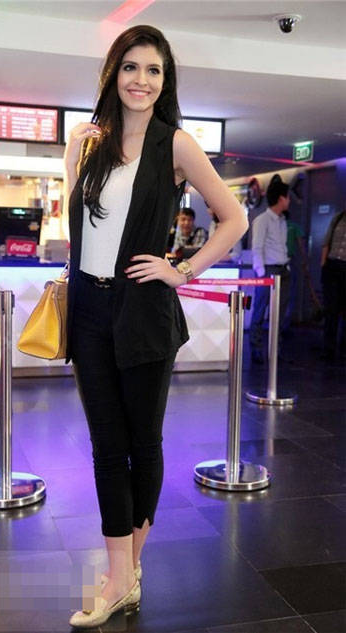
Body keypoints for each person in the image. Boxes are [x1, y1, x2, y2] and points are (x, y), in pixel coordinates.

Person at [63, 25, 248, 629]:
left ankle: (123, 574)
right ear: (113, 73)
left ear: (165, 82)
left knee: (142, 444)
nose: (140, 80)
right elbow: (79, 230)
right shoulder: (94, 144)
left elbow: (234, 218)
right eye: (131, 67)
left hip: (143, 311)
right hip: (89, 311)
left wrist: (182, 270)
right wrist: (68, 160)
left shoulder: (177, 144)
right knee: (105, 447)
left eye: (153, 70)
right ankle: (122, 574)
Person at [249, 175, 291, 364]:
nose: (289, 201)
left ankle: (276, 350)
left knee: (279, 313)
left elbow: (282, 246)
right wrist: (261, 273)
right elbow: (257, 247)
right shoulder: (262, 219)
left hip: (283, 269)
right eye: (287, 197)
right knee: (260, 310)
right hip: (267, 270)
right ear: (281, 198)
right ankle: (256, 348)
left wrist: (287, 266)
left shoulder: (282, 220)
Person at [320, 209, 346, 361]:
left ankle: (343, 350)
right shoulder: (338, 218)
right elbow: (326, 242)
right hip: (332, 265)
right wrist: (323, 265)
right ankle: (328, 349)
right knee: (331, 309)